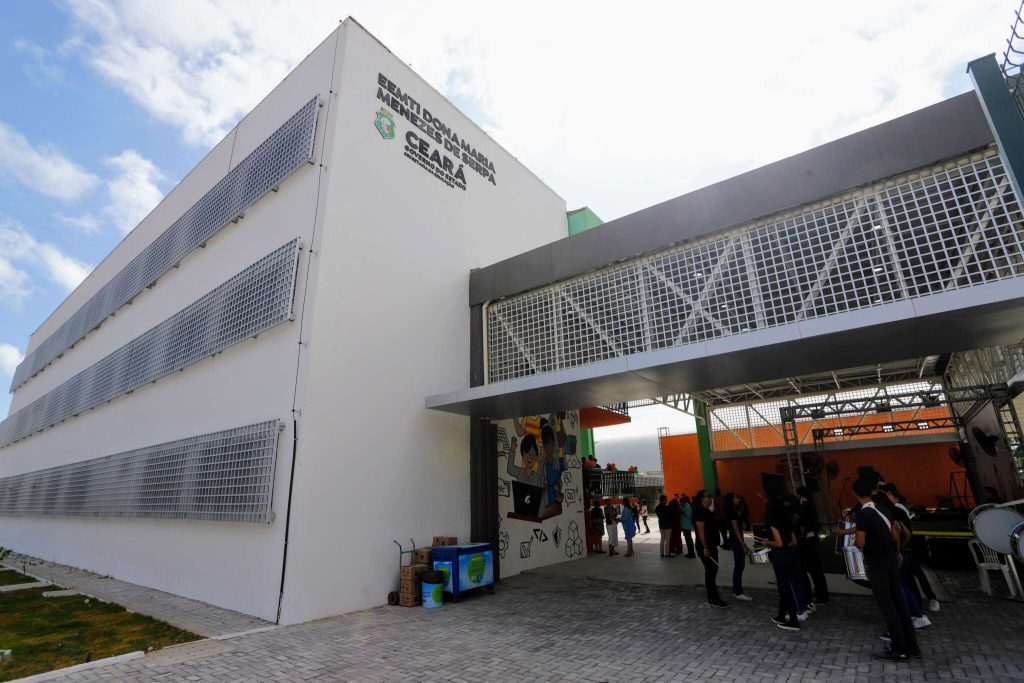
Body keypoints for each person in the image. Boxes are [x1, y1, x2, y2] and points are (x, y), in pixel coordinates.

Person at [853, 478, 920, 662]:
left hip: (877, 563)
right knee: (899, 603)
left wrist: (855, 545)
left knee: (887, 606)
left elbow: (861, 542)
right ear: (873, 491)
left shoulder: (863, 514)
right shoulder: (883, 509)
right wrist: (896, 552)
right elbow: (894, 535)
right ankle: (912, 646)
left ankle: (899, 648)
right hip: (890, 560)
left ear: (855, 494)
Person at [879, 483, 934, 628]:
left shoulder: (895, 510)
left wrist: (898, 550)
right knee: (907, 582)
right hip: (905, 552)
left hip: (905, 551)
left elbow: (903, 534)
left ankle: (915, 613)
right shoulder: (897, 508)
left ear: (889, 494)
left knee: (903, 583)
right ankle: (917, 612)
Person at [761, 494, 801, 631]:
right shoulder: (788, 520)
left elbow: (779, 543)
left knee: (785, 589)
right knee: (784, 587)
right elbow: (793, 541)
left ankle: (793, 620)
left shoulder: (773, 522)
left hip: (780, 557)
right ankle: (781, 615)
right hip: (790, 555)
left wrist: (767, 542)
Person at [796, 486, 830, 605]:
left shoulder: (805, 507)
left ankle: (821, 595)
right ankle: (821, 592)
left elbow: (803, 525)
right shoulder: (811, 504)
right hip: (813, 540)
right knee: (817, 570)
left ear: (800, 495)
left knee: (814, 570)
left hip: (809, 542)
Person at [694, 490, 727, 607]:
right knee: (711, 571)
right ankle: (713, 597)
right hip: (706, 547)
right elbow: (701, 531)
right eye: (708, 496)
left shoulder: (707, 511)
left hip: (711, 545)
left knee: (712, 570)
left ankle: (712, 595)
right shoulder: (699, 512)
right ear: (702, 499)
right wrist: (705, 548)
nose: (710, 498)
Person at [724, 493, 752, 601]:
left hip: (735, 539)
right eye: (736, 497)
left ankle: (736, 590)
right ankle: (738, 591)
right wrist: (743, 545)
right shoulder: (732, 513)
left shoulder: (732, 511)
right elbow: (736, 530)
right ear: (731, 500)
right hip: (736, 540)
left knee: (739, 566)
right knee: (739, 566)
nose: (738, 499)